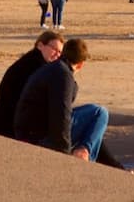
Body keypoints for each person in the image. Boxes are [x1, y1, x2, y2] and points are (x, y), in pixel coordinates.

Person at [12, 39, 120, 168]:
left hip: (29, 132)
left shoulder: (52, 68)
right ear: (80, 65)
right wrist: (62, 152)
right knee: (99, 112)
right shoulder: (63, 75)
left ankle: (85, 154)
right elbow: (61, 114)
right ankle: (84, 160)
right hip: (38, 137)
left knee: (91, 126)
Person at [0, 31, 65, 138]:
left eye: (60, 52)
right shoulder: (34, 67)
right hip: (12, 130)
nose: (57, 55)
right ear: (40, 45)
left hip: (6, 126)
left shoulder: (33, 62)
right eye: (54, 49)